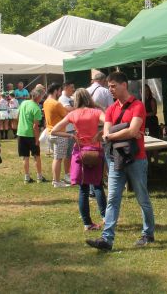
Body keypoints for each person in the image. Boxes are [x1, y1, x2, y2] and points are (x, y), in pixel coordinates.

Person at [86, 71, 154, 251]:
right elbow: (109, 132)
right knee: (112, 199)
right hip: (115, 159)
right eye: (109, 86)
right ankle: (106, 240)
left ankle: (148, 233)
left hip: (136, 160)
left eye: (113, 86)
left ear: (124, 85)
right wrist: (124, 131)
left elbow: (131, 131)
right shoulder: (111, 109)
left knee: (142, 198)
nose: (110, 90)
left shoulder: (138, 106)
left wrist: (115, 134)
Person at [52, 88, 106, 229]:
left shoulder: (73, 114)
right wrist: (100, 133)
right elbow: (109, 122)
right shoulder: (96, 112)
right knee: (98, 186)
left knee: (83, 189)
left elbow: (54, 130)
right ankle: (106, 218)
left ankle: (87, 223)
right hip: (95, 151)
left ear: (76, 99)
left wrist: (71, 135)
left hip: (80, 152)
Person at [17, 86, 48, 183]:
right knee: (36, 155)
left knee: (25, 156)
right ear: (39, 97)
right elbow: (35, 127)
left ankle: (27, 177)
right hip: (30, 135)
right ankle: (39, 177)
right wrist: (37, 139)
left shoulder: (23, 103)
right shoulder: (36, 108)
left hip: (21, 133)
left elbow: (17, 116)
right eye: (42, 96)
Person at [43, 84, 70, 187]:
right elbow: (67, 116)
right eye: (59, 91)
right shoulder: (56, 104)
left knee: (56, 158)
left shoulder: (46, 102)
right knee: (58, 159)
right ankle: (57, 181)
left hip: (50, 132)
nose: (60, 93)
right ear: (55, 91)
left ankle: (55, 180)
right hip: (59, 134)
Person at [57, 81, 76, 184]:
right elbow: (69, 109)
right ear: (66, 87)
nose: (73, 89)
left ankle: (71, 173)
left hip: (72, 129)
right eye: (71, 87)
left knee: (72, 153)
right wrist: (80, 108)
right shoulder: (62, 98)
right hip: (67, 130)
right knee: (68, 154)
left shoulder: (71, 98)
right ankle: (67, 174)